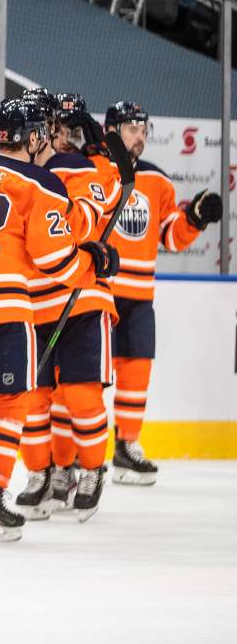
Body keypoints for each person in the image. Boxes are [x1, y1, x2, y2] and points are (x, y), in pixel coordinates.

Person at [0, 98, 115, 542]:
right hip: (14, 305)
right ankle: (1, 490)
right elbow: (63, 244)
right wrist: (93, 263)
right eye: (46, 128)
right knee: (18, 402)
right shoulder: (42, 179)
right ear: (35, 136)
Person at [102, 101, 221, 484]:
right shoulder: (96, 173)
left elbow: (170, 236)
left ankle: (126, 445)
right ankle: (70, 457)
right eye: (132, 128)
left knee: (137, 371)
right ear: (112, 130)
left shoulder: (158, 181)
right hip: (98, 292)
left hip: (139, 296)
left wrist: (194, 219)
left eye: (144, 129)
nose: (141, 136)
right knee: (82, 378)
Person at [16, 98, 123, 522]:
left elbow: (110, 193)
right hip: (33, 303)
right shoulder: (24, 172)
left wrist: (99, 151)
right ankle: (43, 474)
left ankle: (92, 469)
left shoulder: (77, 166)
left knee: (80, 395)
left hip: (81, 297)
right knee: (34, 400)